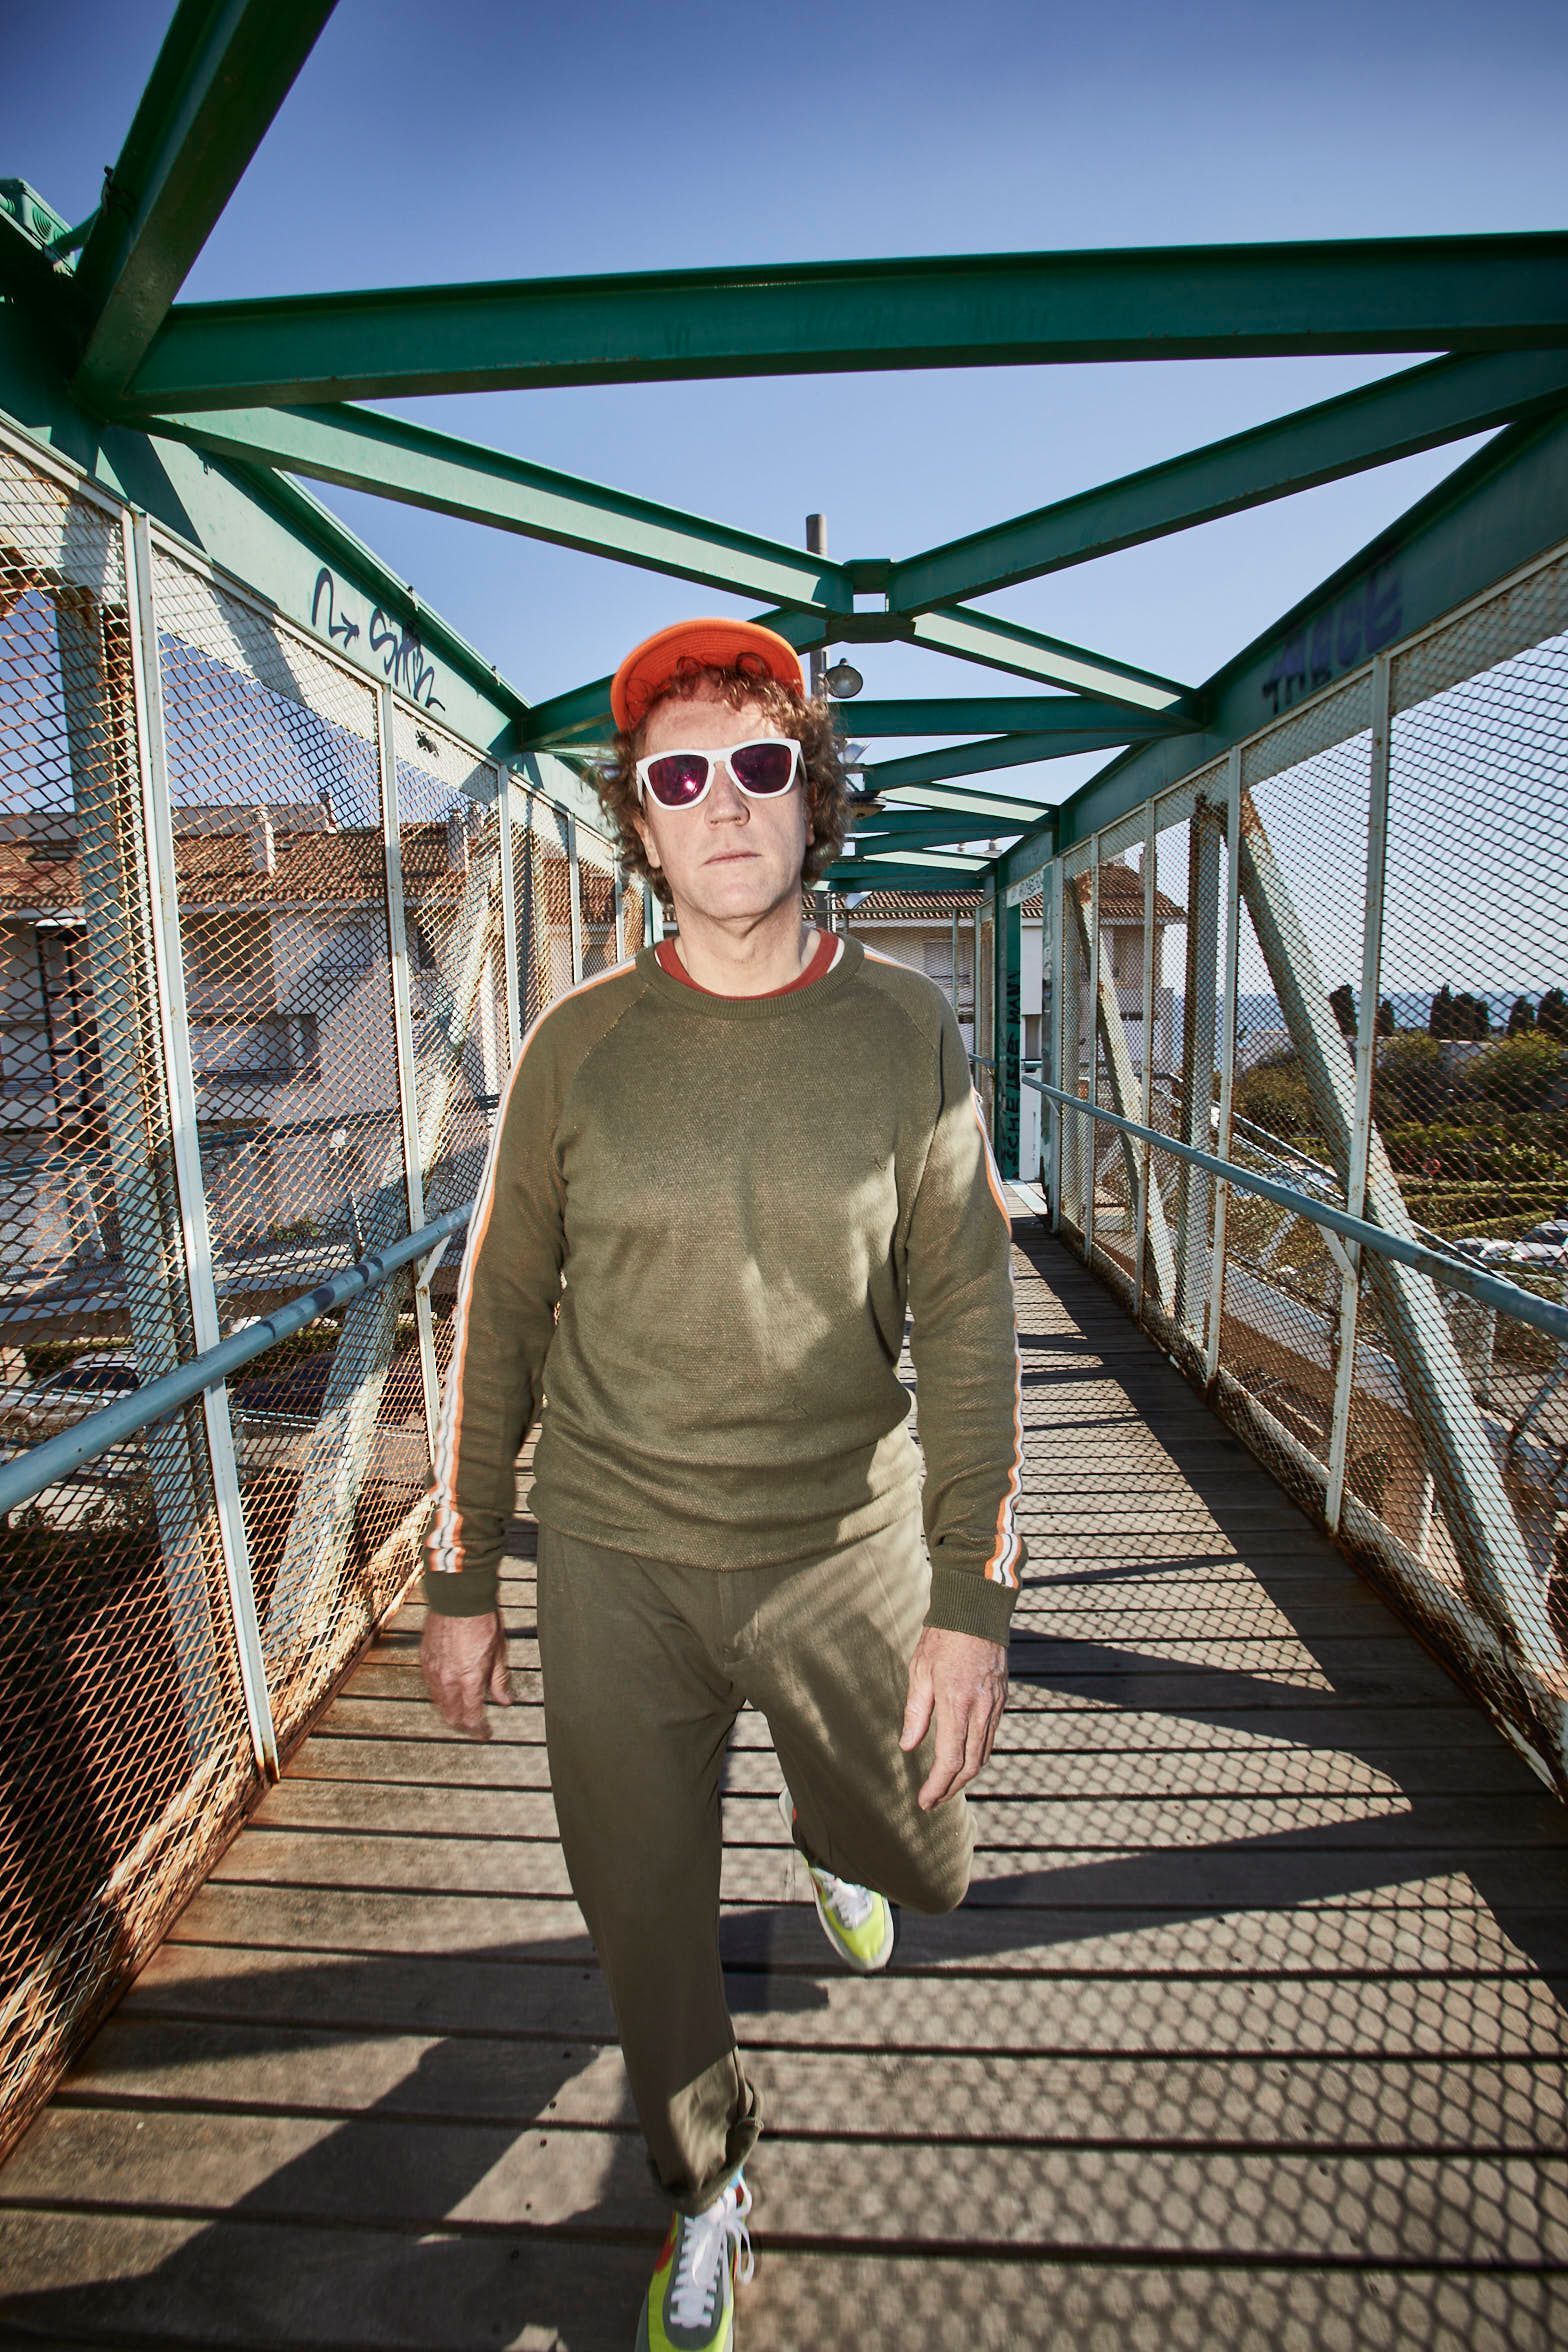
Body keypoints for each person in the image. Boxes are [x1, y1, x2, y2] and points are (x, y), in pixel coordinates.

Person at [419, 617, 1024, 2350]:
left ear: (810, 797)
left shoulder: (908, 1032)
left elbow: (971, 1325)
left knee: (932, 1869)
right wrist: (464, 1581)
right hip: (614, 1553)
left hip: (842, 1542)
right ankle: (707, 2184)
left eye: (760, 763)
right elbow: (501, 1317)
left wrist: (967, 1603)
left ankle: (842, 1832)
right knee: (640, 1911)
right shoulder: (575, 1047)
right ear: (645, 821)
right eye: (680, 775)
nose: (724, 800)